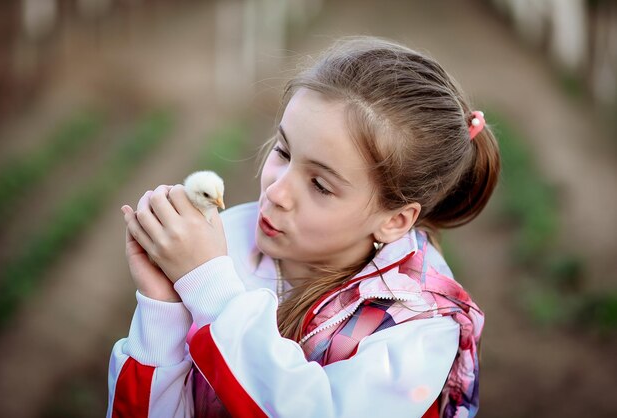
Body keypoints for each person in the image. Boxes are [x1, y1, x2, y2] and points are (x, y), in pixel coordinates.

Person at [107, 36, 500, 418]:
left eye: (320, 185)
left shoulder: (418, 330)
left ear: (395, 221)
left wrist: (212, 289)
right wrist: (163, 310)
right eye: (283, 151)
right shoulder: (221, 246)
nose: (276, 191)